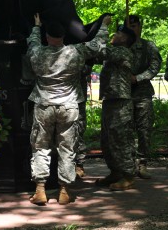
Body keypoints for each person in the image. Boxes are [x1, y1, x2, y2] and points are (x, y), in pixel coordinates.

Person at [26, 13, 107, 205]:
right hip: (69, 106)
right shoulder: (75, 51)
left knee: (40, 147)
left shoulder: (37, 52)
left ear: (48, 37)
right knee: (67, 148)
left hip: (44, 105)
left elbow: (32, 42)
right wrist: (103, 25)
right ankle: (64, 191)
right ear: (63, 36)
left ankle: (40, 190)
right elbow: (99, 44)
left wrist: (37, 26)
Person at [94, 20, 137, 191]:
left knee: (120, 139)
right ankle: (115, 172)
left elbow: (101, 50)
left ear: (125, 39)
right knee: (107, 140)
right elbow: (96, 55)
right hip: (110, 100)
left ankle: (128, 175)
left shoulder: (123, 52)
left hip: (120, 102)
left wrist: (102, 28)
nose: (114, 35)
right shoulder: (115, 51)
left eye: (118, 34)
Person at [127, 15, 163, 179]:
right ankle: (127, 164)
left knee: (144, 129)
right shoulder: (120, 46)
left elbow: (155, 66)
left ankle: (142, 163)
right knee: (125, 131)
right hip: (124, 94)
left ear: (140, 27)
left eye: (134, 26)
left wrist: (138, 78)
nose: (132, 29)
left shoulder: (148, 46)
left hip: (142, 94)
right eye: (129, 26)